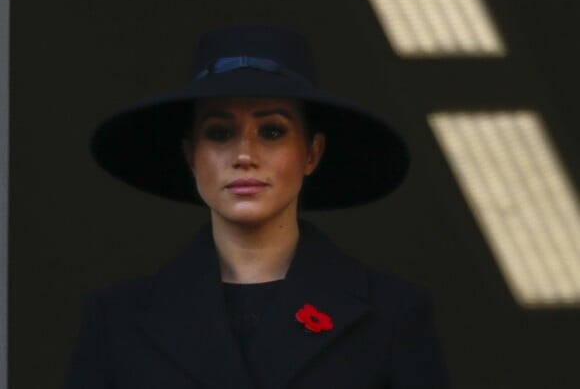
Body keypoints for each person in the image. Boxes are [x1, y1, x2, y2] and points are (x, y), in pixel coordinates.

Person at [65, 24, 449, 388]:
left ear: (312, 153)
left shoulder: (393, 314)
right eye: (219, 132)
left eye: (272, 131)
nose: (245, 155)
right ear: (190, 156)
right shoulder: (114, 320)